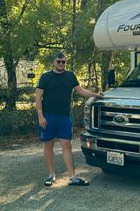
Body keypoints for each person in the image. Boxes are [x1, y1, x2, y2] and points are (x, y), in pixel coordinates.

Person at [36, 51, 103, 187]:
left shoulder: (70, 76)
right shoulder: (45, 77)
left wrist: (95, 94)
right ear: (54, 62)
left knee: (67, 145)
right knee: (49, 145)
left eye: (63, 62)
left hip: (65, 117)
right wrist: (40, 116)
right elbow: (38, 97)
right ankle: (51, 175)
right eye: (58, 61)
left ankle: (73, 177)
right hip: (48, 117)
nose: (61, 64)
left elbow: (80, 90)